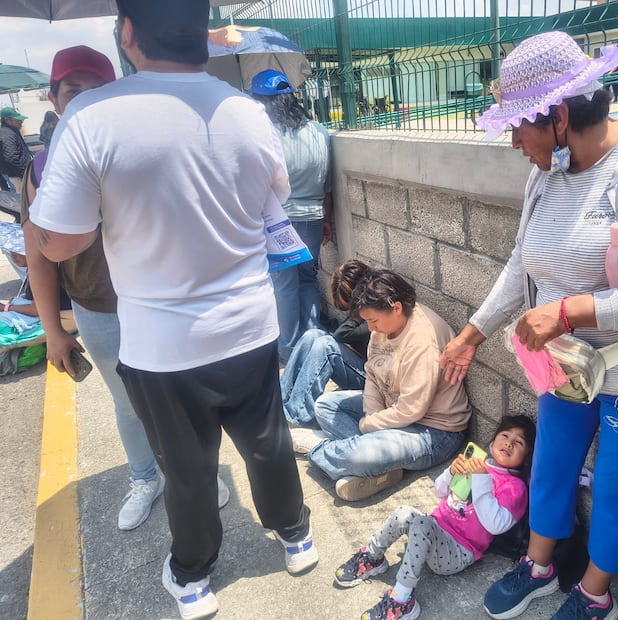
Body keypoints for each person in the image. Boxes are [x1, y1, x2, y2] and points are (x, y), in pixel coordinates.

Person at [27, 2, 317, 618]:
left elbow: (62, 243)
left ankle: (193, 577)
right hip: (249, 326)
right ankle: (296, 538)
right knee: (267, 443)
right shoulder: (247, 111)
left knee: (186, 468)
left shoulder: (90, 116)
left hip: (162, 345)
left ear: (128, 32)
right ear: (202, 34)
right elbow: (273, 198)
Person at [438, 31, 618, 620]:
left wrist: (572, 310)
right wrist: (472, 333)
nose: (514, 141)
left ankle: (593, 594)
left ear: (559, 117)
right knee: (551, 467)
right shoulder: (547, 171)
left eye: (520, 126)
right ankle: (539, 566)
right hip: (562, 368)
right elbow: (523, 261)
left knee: (617, 491)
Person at [22, 45, 232, 531]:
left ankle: (197, 475)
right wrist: (53, 330)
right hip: (98, 309)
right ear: (54, 100)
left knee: (182, 395)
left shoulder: (145, 148)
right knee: (128, 401)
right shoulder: (43, 169)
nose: (84, 100)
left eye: (97, 90)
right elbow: (39, 258)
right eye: (73, 91)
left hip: (161, 300)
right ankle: (145, 477)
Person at [293, 269, 471, 502]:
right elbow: (372, 373)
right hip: (394, 410)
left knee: (362, 453)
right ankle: (377, 466)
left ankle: (323, 449)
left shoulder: (423, 343)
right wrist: (372, 417)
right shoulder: (385, 326)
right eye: (367, 321)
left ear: (396, 308)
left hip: (433, 431)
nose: (371, 328)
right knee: (326, 406)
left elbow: (410, 410)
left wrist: (369, 425)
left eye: (373, 321)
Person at [335, 415, 537, 620]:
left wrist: (482, 480)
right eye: (505, 435)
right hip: (435, 529)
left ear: (526, 456)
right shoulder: (477, 462)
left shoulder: (515, 487)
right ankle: (372, 557)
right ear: (493, 440)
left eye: (519, 442)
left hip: (458, 551)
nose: (509, 443)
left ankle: (402, 601)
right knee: (403, 512)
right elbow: (439, 491)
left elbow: (495, 525)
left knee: (422, 524)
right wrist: (451, 472)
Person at [250, 68, 333, 362]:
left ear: (261, 100)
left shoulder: (264, 135)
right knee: (308, 278)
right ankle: (313, 342)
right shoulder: (319, 131)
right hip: (313, 216)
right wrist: (327, 219)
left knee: (284, 284)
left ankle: (288, 348)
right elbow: (327, 184)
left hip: (278, 220)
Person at [280, 259, 372, 427]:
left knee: (326, 345)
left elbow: (341, 334)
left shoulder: (378, 311)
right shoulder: (365, 309)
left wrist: (359, 313)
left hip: (373, 382)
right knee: (312, 335)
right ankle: (281, 398)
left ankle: (296, 416)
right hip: (362, 368)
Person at [0, 106, 32, 193]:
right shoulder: (7, 134)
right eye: (18, 120)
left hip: (19, 174)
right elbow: (10, 157)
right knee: (24, 197)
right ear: (8, 120)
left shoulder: (11, 131)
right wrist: (24, 172)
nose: (21, 122)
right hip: (17, 176)